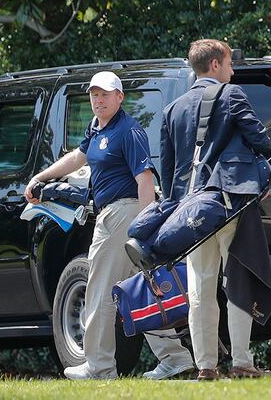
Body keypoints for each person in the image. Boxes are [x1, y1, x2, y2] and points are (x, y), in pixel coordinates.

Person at [25, 71, 194, 380]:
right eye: (94, 94)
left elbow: (145, 182)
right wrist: (42, 177)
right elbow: (78, 157)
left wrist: (146, 228)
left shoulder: (129, 131)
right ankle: (175, 357)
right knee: (140, 289)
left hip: (122, 215)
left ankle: (99, 366)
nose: (98, 99)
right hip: (114, 216)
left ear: (120, 97)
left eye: (105, 94)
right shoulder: (97, 128)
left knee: (100, 290)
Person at [161, 39, 271, 381]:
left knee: (200, 288)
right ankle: (241, 362)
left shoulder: (173, 109)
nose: (232, 70)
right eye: (228, 64)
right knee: (238, 279)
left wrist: (176, 208)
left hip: (191, 209)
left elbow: (169, 171)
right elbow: (262, 141)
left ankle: (206, 366)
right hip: (230, 201)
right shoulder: (232, 94)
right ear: (214, 65)